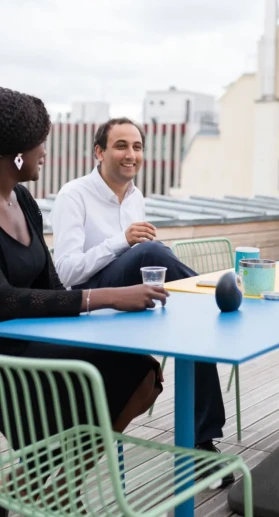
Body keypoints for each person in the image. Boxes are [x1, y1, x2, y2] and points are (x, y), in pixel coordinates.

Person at [0, 87, 172, 510]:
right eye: (39, 141)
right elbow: (5, 300)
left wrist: (114, 307)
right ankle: (31, 481)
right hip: (8, 354)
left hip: (40, 336)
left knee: (145, 373)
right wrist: (110, 295)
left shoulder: (23, 201)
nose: (45, 149)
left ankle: (50, 485)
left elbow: (53, 286)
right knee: (128, 370)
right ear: (15, 151)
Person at [50, 118, 232, 486]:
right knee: (151, 249)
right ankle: (219, 295)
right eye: (120, 146)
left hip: (133, 304)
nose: (130, 154)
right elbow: (66, 273)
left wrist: (139, 251)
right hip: (92, 302)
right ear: (99, 152)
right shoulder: (74, 195)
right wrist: (122, 241)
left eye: (136, 146)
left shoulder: (136, 197)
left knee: (194, 329)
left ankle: (202, 443)